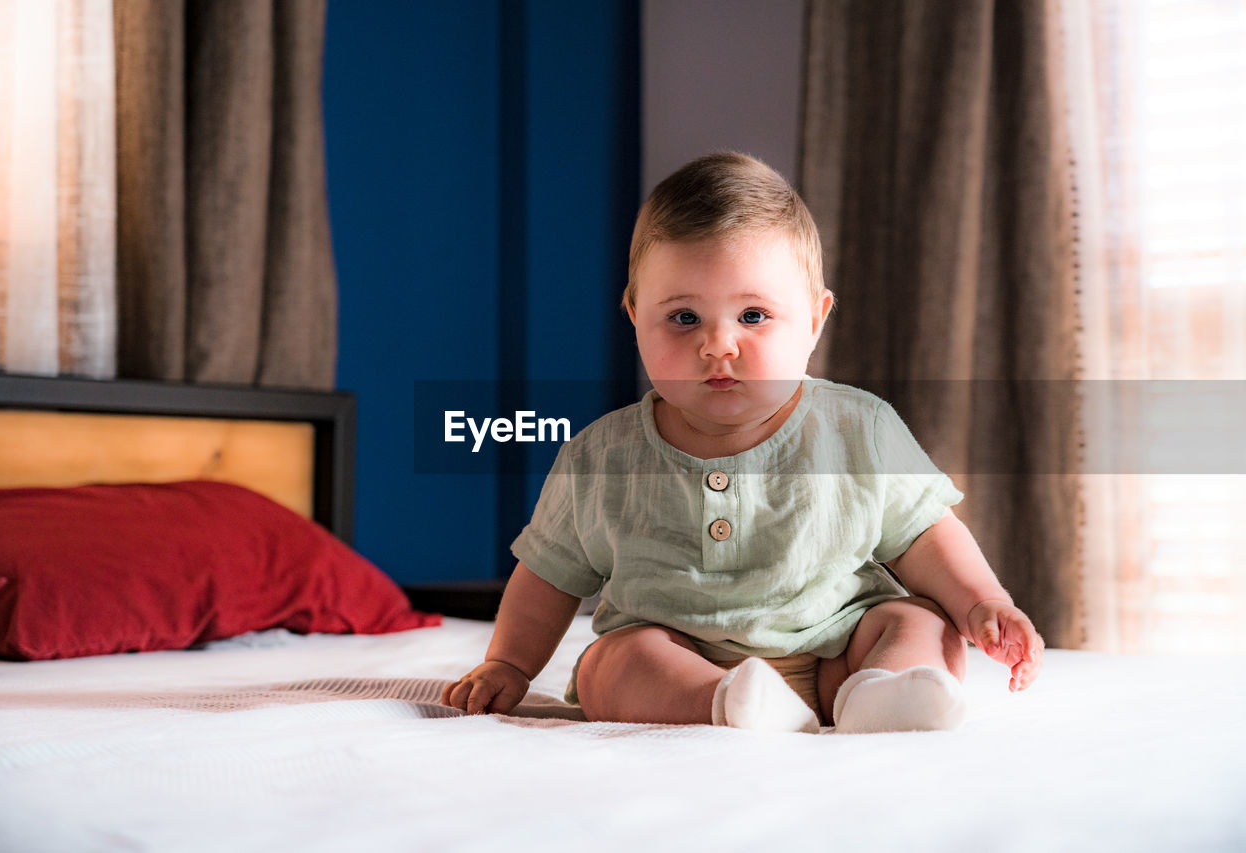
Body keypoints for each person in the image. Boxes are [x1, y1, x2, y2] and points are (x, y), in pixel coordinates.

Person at [442, 152, 1043, 733]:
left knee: (918, 623)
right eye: (683, 318)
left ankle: (884, 695)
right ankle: (727, 702)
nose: (718, 345)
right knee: (612, 663)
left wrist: (983, 603)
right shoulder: (603, 457)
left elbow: (924, 534)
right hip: (680, 659)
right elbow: (547, 575)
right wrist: (511, 663)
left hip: (837, 647)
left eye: (753, 315)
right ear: (633, 316)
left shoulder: (859, 428)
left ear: (814, 319)